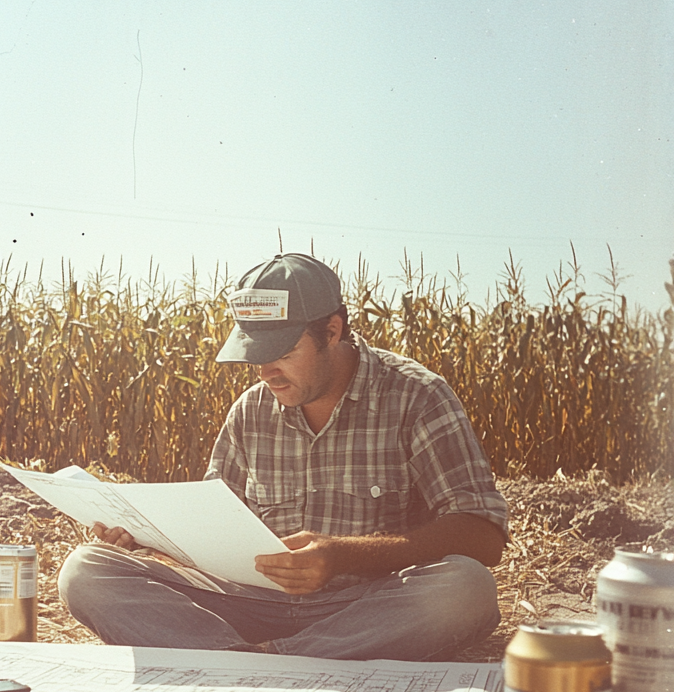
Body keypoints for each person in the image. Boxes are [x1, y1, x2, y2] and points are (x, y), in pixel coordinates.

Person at [58, 252, 507, 660]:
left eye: (284, 353)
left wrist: (344, 555)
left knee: (466, 588)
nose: (266, 372)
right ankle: (257, 658)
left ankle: (254, 661)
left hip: (367, 609)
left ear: (332, 331)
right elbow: (210, 531)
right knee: (86, 570)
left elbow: (482, 535)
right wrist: (141, 536)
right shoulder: (250, 411)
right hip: (251, 602)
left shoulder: (418, 397)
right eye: (257, 355)